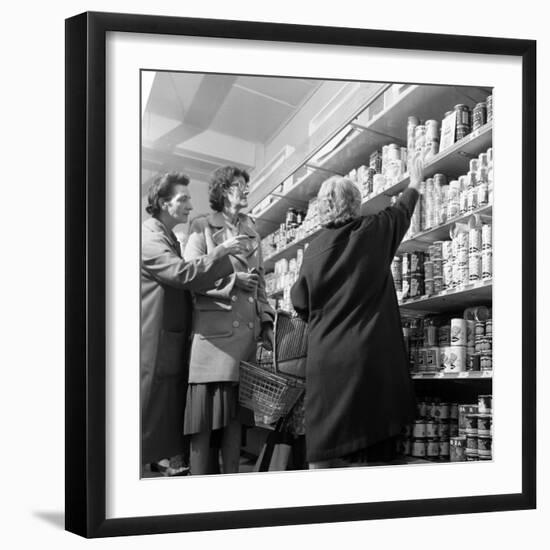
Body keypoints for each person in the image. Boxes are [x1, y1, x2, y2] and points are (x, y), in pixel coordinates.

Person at [290, 157, 424, 469]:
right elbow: (400, 212)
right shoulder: (372, 231)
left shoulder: (312, 251)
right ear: (356, 202)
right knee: (371, 451)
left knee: (327, 454)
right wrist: (415, 184)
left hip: (326, 361)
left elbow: (301, 303)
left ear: (324, 208)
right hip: (367, 359)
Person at [141, 171, 249, 476]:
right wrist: (221, 254)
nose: (190, 204)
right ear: (163, 202)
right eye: (183, 198)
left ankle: (161, 465)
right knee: (149, 412)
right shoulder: (148, 237)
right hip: (155, 337)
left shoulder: (167, 236)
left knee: (162, 414)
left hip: (172, 338)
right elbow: (183, 275)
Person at [183, 166, 275, 475]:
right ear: (224, 191)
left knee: (234, 423)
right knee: (204, 424)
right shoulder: (201, 227)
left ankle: (231, 490)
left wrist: (266, 322)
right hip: (213, 339)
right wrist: (231, 279)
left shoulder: (252, 230)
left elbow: (260, 283)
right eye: (239, 186)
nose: (246, 191)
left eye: (246, 186)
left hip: (245, 339)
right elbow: (190, 276)